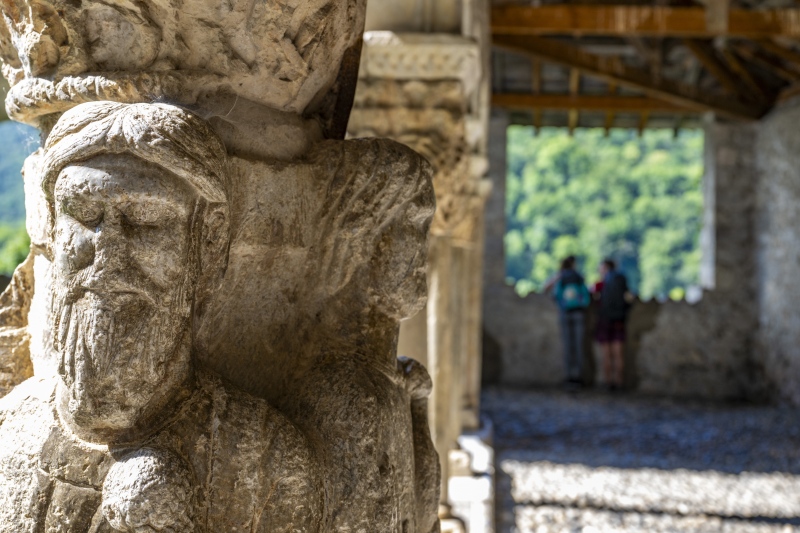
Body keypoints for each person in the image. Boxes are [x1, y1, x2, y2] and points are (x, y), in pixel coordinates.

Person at [545, 256, 590, 388]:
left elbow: (553, 293)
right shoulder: (578, 277)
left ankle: (569, 376)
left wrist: (564, 305)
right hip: (578, 313)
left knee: (568, 346)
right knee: (578, 345)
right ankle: (578, 376)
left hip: (565, 313)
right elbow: (586, 297)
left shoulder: (561, 278)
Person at [595, 258, 631, 390]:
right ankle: (619, 382)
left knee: (606, 353)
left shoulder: (602, 283)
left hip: (604, 319)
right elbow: (629, 297)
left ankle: (608, 382)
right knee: (618, 353)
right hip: (619, 320)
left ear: (605, 267)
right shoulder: (621, 279)